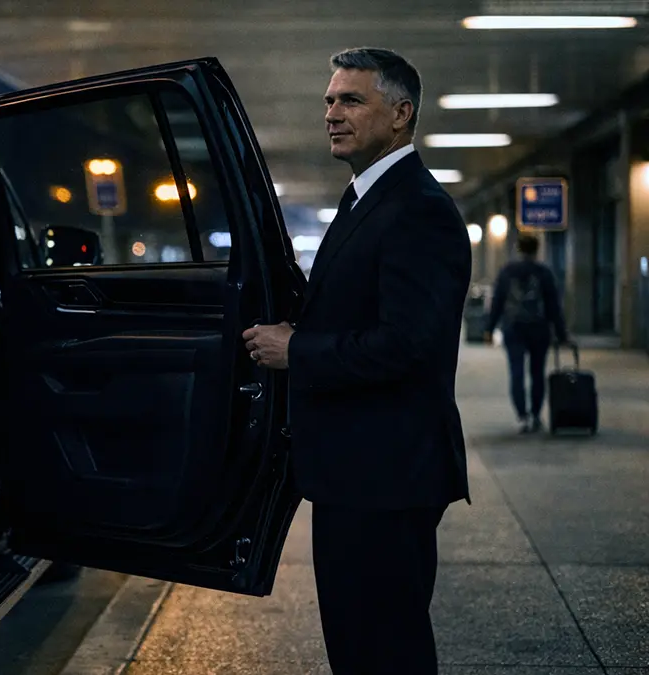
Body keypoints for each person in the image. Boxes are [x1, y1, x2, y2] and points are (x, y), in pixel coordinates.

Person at [243, 48, 471, 674]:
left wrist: (297, 350)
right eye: (328, 100)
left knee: (384, 647)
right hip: (359, 470)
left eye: (350, 100)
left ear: (400, 115)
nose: (331, 113)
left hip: (387, 473)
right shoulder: (367, 198)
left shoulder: (417, 210)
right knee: (358, 643)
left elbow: (407, 345)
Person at [484, 233, 571, 433]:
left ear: (518, 249)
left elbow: (497, 302)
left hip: (513, 328)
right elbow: (553, 306)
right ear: (536, 249)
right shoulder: (544, 272)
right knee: (537, 373)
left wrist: (489, 328)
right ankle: (535, 415)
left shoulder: (507, 271)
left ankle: (522, 416)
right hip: (539, 330)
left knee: (516, 372)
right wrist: (562, 333)